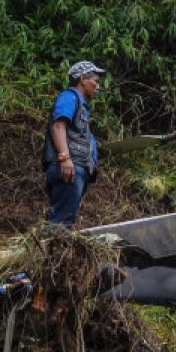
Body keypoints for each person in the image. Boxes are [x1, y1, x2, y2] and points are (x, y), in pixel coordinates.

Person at [43, 61, 105, 227]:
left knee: (65, 218)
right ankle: (49, 249)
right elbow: (58, 125)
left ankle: (52, 248)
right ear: (83, 79)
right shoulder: (69, 97)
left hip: (75, 169)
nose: (98, 86)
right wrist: (65, 158)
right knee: (61, 222)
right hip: (69, 168)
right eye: (96, 81)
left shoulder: (80, 105)